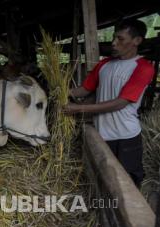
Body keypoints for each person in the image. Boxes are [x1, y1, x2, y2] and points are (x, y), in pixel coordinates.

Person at [63, 19, 155, 187]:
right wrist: (61, 93)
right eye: (114, 38)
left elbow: (121, 103)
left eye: (120, 39)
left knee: (128, 185)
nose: (113, 43)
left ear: (137, 41)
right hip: (102, 134)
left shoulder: (143, 67)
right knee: (104, 181)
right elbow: (84, 89)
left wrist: (79, 108)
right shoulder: (104, 64)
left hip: (125, 136)